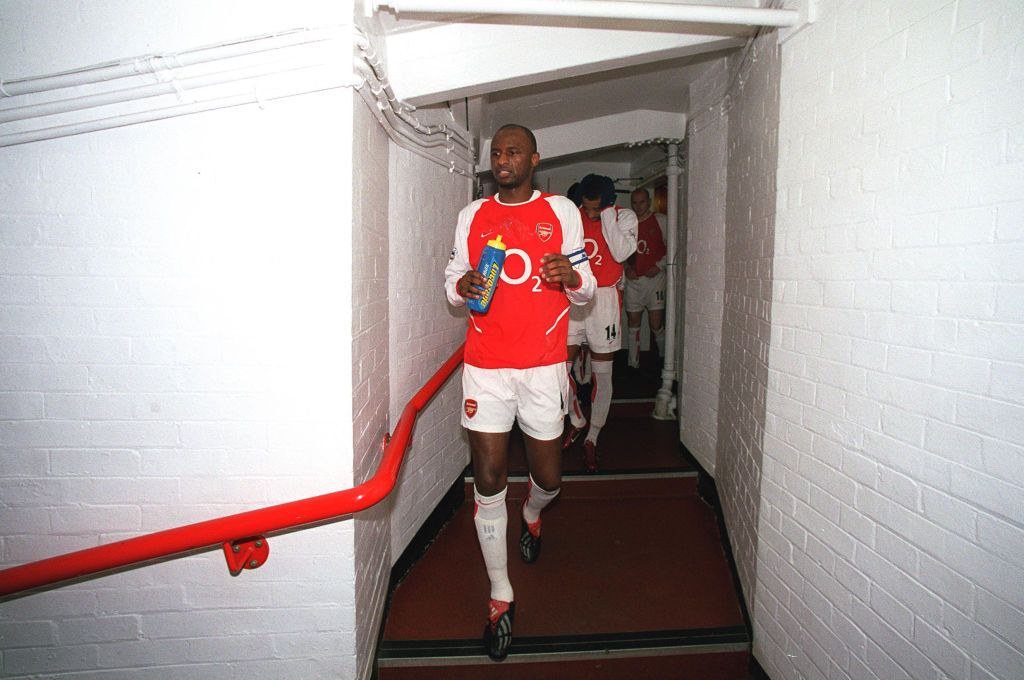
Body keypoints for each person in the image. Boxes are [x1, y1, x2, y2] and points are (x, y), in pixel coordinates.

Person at [443, 124, 596, 662]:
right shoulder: (473, 216)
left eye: (512, 152)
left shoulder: (562, 212)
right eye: (496, 153)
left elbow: (587, 290)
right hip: (485, 366)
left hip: (544, 368)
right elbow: (455, 278)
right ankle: (500, 595)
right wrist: (459, 287)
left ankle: (533, 512)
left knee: (549, 477)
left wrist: (571, 278)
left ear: (533, 158)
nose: (502, 159)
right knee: (487, 475)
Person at [563, 174, 637, 472]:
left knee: (601, 375)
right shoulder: (573, 216)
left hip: (605, 300)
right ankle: (576, 417)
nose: (590, 213)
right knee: (557, 368)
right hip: (574, 297)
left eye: (597, 208)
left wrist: (606, 215)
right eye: (588, 207)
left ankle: (592, 437)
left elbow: (620, 253)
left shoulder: (624, 216)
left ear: (608, 203)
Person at [623, 188, 668, 369]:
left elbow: (673, 246)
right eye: (635, 202)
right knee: (633, 322)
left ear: (648, 202)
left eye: (642, 202)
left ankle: (665, 360)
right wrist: (626, 268)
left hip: (654, 280)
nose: (638, 206)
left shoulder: (661, 220)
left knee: (655, 323)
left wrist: (659, 265)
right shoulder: (627, 224)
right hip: (634, 282)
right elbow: (621, 251)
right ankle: (633, 365)